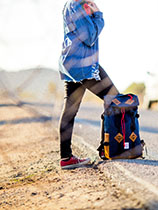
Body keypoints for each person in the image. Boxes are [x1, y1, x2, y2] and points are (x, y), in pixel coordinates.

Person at [58, 0, 119, 169]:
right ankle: (111, 149)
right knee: (115, 98)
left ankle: (66, 158)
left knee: (70, 110)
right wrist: (98, 16)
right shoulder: (76, 5)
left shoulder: (73, 5)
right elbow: (89, 37)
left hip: (73, 63)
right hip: (83, 64)